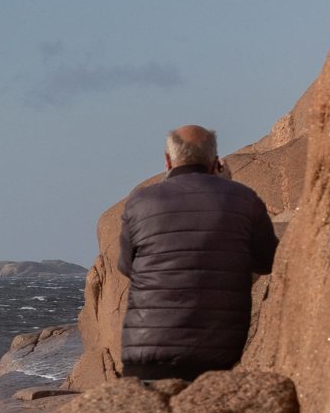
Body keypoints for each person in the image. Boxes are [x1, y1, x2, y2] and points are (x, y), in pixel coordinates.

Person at [114, 124, 277, 381]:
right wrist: (226, 187)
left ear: (168, 161)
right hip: (216, 356)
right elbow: (268, 261)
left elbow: (126, 266)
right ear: (215, 161)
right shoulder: (244, 200)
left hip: (146, 356)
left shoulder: (140, 202)